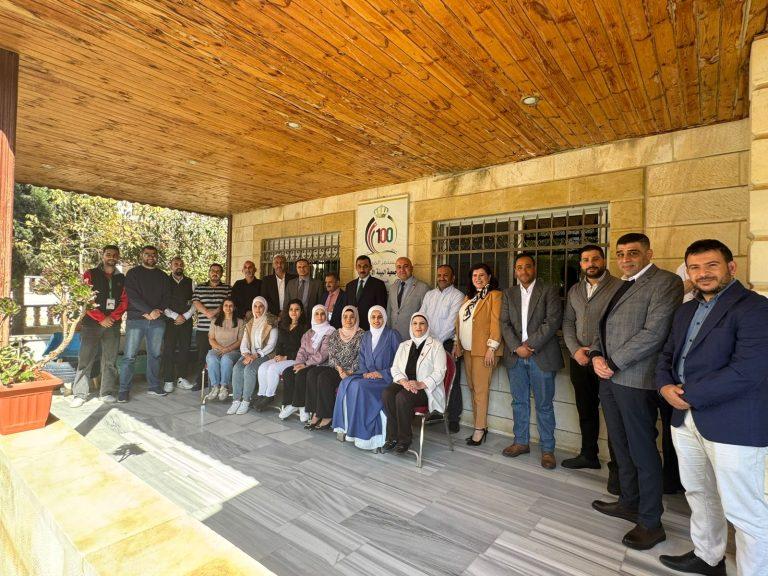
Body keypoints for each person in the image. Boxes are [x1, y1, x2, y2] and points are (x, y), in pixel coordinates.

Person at [656, 239, 768, 576]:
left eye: (711, 265)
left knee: (744, 510)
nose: (702, 273)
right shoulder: (685, 310)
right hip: (684, 417)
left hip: (733, 423)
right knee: (699, 492)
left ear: (731, 267)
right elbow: (667, 355)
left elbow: (748, 371)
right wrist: (664, 386)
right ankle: (708, 557)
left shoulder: (755, 308)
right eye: (695, 267)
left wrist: (688, 394)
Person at [589, 233, 683, 551]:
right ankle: (629, 502)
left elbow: (654, 332)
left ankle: (651, 522)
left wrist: (613, 362)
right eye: (620, 254)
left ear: (648, 253)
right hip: (609, 378)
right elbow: (603, 328)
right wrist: (596, 356)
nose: (625, 259)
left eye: (632, 253)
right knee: (620, 444)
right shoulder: (620, 284)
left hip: (636, 379)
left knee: (642, 451)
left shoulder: (665, 282)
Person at [561, 245, 621, 487]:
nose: (591, 263)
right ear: (581, 264)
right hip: (579, 360)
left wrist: (595, 351)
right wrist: (575, 350)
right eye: (586, 260)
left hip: (607, 361)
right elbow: (568, 322)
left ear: (604, 260)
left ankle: (618, 469)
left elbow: (616, 325)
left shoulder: (619, 287)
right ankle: (589, 455)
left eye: (595, 259)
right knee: (585, 410)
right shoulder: (575, 290)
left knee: (615, 416)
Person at [500, 253, 563, 469]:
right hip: (515, 356)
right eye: (519, 267)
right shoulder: (509, 293)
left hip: (541, 356)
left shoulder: (548, 290)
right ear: (515, 271)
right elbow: (504, 323)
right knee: (519, 402)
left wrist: (530, 345)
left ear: (534, 268)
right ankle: (521, 442)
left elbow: (552, 321)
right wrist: (517, 347)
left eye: (527, 266)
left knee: (544, 405)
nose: (523, 271)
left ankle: (548, 449)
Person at [333, 305, 401, 449]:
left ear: (385, 318)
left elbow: (400, 362)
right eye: (373, 317)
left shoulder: (392, 335)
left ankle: (366, 437)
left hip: (386, 379)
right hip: (367, 376)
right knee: (346, 383)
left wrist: (382, 373)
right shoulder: (367, 335)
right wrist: (364, 373)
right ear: (369, 319)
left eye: (380, 317)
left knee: (359, 386)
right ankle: (348, 429)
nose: (376, 320)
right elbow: (362, 360)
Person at [70, 245, 128, 407]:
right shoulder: (90, 274)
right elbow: (85, 298)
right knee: (85, 359)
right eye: (108, 254)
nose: (111, 257)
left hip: (113, 325)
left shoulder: (121, 278)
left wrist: (112, 318)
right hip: (91, 324)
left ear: (118, 257)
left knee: (110, 360)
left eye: (115, 255)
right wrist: (101, 318)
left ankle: (106, 392)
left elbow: (125, 301)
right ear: (103, 256)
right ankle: (80, 394)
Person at [453, 263, 503, 446]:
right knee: (473, 389)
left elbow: (497, 322)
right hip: (468, 349)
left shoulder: (494, 295)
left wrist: (492, 347)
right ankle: (480, 425)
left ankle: (479, 429)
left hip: (484, 351)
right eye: (475, 275)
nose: (478, 278)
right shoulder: (469, 297)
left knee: (480, 391)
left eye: (482, 275)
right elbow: (459, 322)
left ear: (489, 277)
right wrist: (457, 343)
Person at [382, 313, 447, 453]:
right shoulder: (403, 345)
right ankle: (392, 437)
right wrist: (403, 381)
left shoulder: (436, 346)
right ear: (411, 326)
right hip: (405, 383)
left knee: (402, 397)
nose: (418, 327)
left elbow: (440, 372)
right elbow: (395, 368)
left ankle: (404, 440)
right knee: (387, 394)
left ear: (427, 326)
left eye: (422, 323)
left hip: (426, 389)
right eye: (415, 323)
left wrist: (420, 384)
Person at [118, 245, 171, 402]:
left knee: (155, 355)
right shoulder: (133, 273)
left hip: (157, 321)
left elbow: (167, 297)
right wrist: (148, 311)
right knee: (129, 356)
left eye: (153, 254)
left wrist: (156, 312)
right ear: (142, 255)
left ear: (157, 257)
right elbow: (132, 296)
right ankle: (123, 390)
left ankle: (154, 386)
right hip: (136, 320)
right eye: (147, 254)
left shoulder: (163, 276)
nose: (151, 256)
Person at [419, 264, 466, 433]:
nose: (442, 278)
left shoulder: (458, 296)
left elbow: (452, 324)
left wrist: (434, 343)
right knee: (430, 378)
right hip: (427, 343)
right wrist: (424, 340)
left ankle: (453, 418)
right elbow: (421, 316)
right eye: (439, 275)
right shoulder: (429, 295)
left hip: (446, 344)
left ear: (453, 278)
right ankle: (435, 411)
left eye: (446, 275)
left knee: (451, 381)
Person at [304, 305, 364, 430]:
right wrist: (339, 368)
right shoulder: (336, 333)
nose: (348, 320)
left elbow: (361, 357)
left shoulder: (362, 335)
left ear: (356, 318)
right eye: (345, 317)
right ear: (342, 318)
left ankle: (327, 415)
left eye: (352, 317)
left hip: (351, 371)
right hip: (336, 368)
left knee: (324, 378)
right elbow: (331, 354)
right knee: (312, 373)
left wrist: (349, 371)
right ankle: (315, 412)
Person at [178, 263, 231, 391]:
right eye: (213, 270)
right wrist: (207, 312)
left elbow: (229, 303)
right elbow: (195, 302)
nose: (215, 273)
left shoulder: (227, 288)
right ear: (209, 272)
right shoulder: (200, 287)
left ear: (221, 273)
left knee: (220, 356)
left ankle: (218, 383)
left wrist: (215, 312)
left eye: (218, 271)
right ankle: (201, 381)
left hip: (220, 330)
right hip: (203, 329)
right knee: (202, 356)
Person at [278, 304, 334, 422]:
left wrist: (305, 364)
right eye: (317, 314)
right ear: (313, 316)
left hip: (321, 364)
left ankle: (302, 406)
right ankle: (291, 403)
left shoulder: (330, 332)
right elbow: (302, 350)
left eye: (322, 314)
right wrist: (298, 363)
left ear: (326, 315)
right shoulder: (309, 332)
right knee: (288, 372)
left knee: (302, 374)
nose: (319, 317)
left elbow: (323, 354)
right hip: (306, 363)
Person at [253, 299, 308, 411]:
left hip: (295, 358)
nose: (294, 312)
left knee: (273, 368)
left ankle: (269, 396)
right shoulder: (283, 325)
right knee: (263, 367)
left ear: (301, 311)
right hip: (282, 357)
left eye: (297, 309)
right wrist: (279, 356)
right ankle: (261, 394)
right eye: (291, 309)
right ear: (288, 311)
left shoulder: (305, 328)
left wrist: (286, 357)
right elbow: (279, 344)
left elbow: (304, 349)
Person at [227, 296, 277, 415]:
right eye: (255, 306)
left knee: (249, 369)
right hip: (249, 354)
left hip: (265, 354)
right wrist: (246, 354)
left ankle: (246, 400)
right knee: (237, 368)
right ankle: (236, 400)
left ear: (265, 308)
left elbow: (271, 345)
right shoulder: (249, 323)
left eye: (261, 306)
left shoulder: (271, 322)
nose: (258, 309)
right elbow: (244, 342)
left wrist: (256, 355)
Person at [161, 256, 194, 393]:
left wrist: (185, 316)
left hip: (186, 321)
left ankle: (182, 378)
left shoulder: (190, 282)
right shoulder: (164, 282)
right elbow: (161, 303)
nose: (179, 266)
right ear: (171, 266)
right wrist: (175, 316)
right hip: (170, 321)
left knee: (184, 349)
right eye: (176, 264)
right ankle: (168, 380)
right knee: (169, 350)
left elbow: (195, 302)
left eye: (181, 264)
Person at [204, 298, 244, 402]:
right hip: (217, 349)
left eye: (231, 306)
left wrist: (228, 349)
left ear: (234, 308)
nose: (228, 308)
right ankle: (215, 387)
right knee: (211, 358)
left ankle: (224, 387)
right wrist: (221, 348)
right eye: (226, 305)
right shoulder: (215, 321)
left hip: (233, 351)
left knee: (226, 359)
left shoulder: (240, 322)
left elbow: (240, 340)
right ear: (222, 307)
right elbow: (211, 339)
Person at [386, 256, 429, 340]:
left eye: (405, 266)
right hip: (393, 335)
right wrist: (388, 331)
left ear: (412, 268)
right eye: (399, 267)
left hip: (412, 335)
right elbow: (389, 311)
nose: (402, 270)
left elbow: (425, 314)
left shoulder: (423, 287)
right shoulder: (392, 287)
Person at [344, 255, 387, 330]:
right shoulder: (349, 286)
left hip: (370, 327)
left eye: (365, 266)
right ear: (356, 267)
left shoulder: (378, 284)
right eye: (359, 266)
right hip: (352, 326)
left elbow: (381, 308)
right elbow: (346, 307)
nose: (362, 269)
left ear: (370, 267)